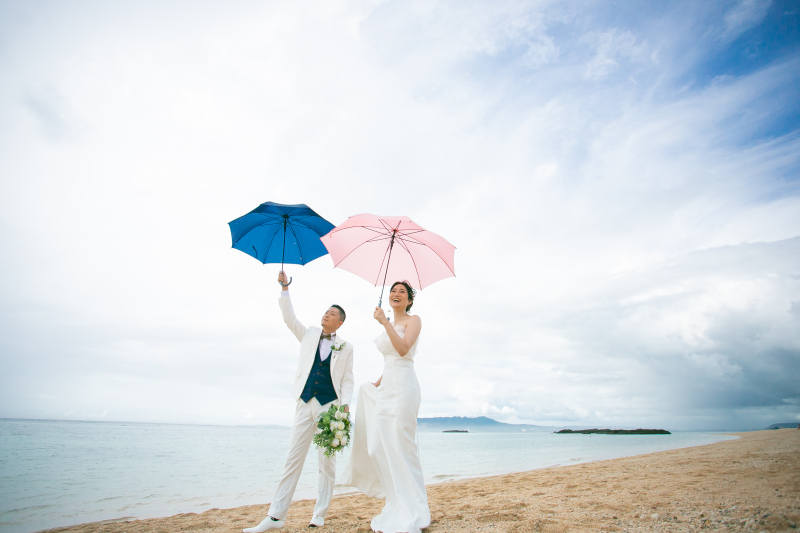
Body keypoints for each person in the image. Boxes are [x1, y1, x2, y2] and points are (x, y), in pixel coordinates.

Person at [244, 271, 355, 531]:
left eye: (332, 314)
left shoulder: (347, 347)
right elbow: (289, 318)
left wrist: (345, 406)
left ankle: (319, 514)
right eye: (325, 312)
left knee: (326, 463)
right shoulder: (309, 334)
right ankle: (275, 517)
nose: (326, 315)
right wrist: (285, 288)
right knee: (292, 460)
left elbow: (348, 380)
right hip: (304, 403)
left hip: (330, 407)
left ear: (340, 323)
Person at [343, 281, 431, 533]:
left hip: (404, 386)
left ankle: (414, 509)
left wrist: (384, 323)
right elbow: (389, 360)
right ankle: (396, 502)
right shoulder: (391, 323)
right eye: (393, 290)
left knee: (403, 445)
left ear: (409, 300)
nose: (396, 294)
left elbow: (403, 351)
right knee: (377, 446)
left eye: (402, 292)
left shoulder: (414, 320)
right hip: (388, 386)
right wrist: (377, 383)